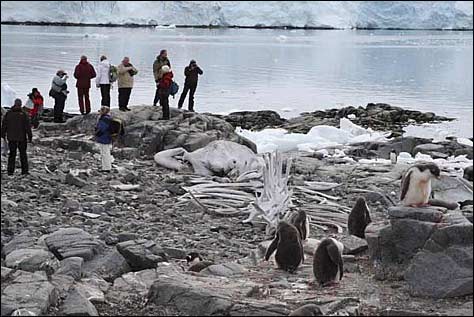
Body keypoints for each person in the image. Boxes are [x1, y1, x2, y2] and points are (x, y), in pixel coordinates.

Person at [1, 98, 33, 176]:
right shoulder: (24, 114)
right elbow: (27, 127)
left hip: (11, 138)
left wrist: (2, 134)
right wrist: (30, 137)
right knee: (23, 154)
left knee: (12, 154)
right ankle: (24, 171)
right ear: (20, 104)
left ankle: (10, 171)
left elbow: (4, 125)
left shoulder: (9, 114)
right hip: (22, 138)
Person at [95, 106, 113, 172]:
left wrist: (96, 134)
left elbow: (101, 128)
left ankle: (106, 168)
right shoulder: (109, 118)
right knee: (106, 152)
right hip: (107, 137)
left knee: (104, 153)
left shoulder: (104, 119)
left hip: (104, 138)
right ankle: (107, 166)